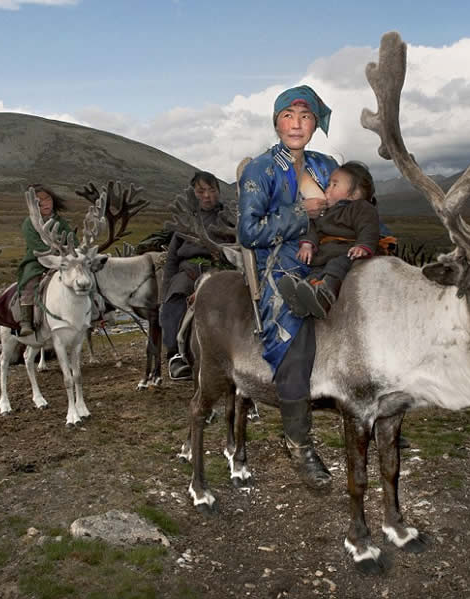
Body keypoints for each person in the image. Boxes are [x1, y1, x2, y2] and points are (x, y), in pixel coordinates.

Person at [238, 85, 337, 490]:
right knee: (295, 341)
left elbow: (353, 206)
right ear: (277, 122)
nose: (297, 124)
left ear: (316, 123)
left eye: (306, 116)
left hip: (331, 256)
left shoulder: (326, 165)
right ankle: (299, 443)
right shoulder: (260, 170)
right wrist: (301, 213)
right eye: (289, 116)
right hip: (280, 265)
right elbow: (248, 231)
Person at [278, 161, 379, 319]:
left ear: (354, 194)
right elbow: (312, 228)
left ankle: (326, 294)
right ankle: (303, 298)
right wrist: (307, 245)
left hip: (348, 253)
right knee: (316, 271)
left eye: (334, 184)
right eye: (329, 184)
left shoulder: (361, 208)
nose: (327, 188)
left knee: (336, 266)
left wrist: (363, 246)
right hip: (324, 255)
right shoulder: (325, 212)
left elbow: (369, 227)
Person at [161, 171, 226, 380]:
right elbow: (172, 259)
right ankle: (176, 356)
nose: (207, 195)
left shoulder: (229, 218)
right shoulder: (185, 221)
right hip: (187, 271)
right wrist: (166, 290)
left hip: (216, 269)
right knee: (175, 300)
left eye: (212, 190)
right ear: (193, 194)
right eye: (201, 191)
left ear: (219, 192)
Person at [16, 184, 76, 337]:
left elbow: (73, 240)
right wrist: (51, 254)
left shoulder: (60, 222)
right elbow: (35, 245)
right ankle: (26, 322)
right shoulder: (29, 223)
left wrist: (69, 251)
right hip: (36, 260)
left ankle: (93, 311)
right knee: (30, 283)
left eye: (47, 199)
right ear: (32, 205)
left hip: (62, 259)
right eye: (39, 201)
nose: (45, 203)